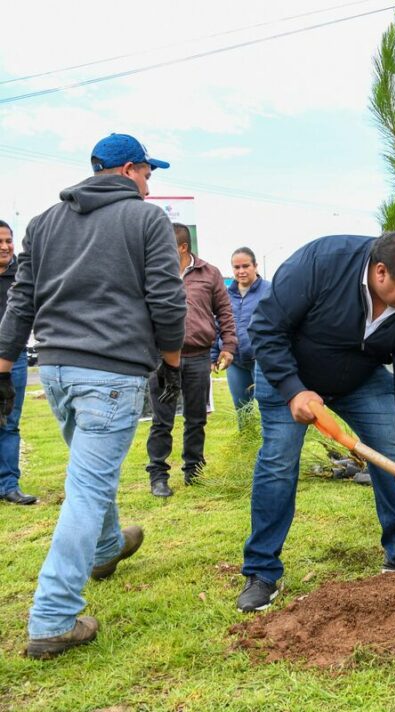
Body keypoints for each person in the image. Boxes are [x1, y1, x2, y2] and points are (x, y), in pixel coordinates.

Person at [0, 133, 186, 658]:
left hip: (56, 372)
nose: (150, 184)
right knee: (85, 489)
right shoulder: (146, 219)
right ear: (128, 169)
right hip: (110, 374)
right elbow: (167, 300)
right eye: (149, 173)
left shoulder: (42, 222)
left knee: (87, 474)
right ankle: (53, 617)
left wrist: (4, 365)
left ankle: (106, 547)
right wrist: (171, 361)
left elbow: (21, 301)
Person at [238, 229, 395, 613]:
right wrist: (293, 390)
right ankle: (262, 571)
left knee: (393, 448)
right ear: (380, 273)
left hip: (359, 379)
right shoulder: (321, 263)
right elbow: (265, 328)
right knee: (278, 462)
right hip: (290, 375)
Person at [145, 224, 236, 497]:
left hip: (197, 358)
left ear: (182, 247)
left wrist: (228, 346)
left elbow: (225, 312)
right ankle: (158, 475)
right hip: (161, 359)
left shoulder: (210, 274)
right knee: (162, 420)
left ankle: (193, 471)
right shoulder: (152, 273)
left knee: (196, 419)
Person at [212, 247, 270, 429]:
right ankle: (246, 444)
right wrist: (213, 354)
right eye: (236, 267)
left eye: (246, 266)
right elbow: (215, 326)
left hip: (262, 360)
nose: (241, 271)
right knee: (242, 408)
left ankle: (271, 446)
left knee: (269, 406)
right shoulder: (224, 295)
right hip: (234, 362)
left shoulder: (270, 290)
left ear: (255, 266)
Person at [0, 220, 35, 505]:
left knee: (9, 421)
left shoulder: (22, 276)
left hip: (15, 358)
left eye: (8, 240)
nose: (5, 246)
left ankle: (8, 485)